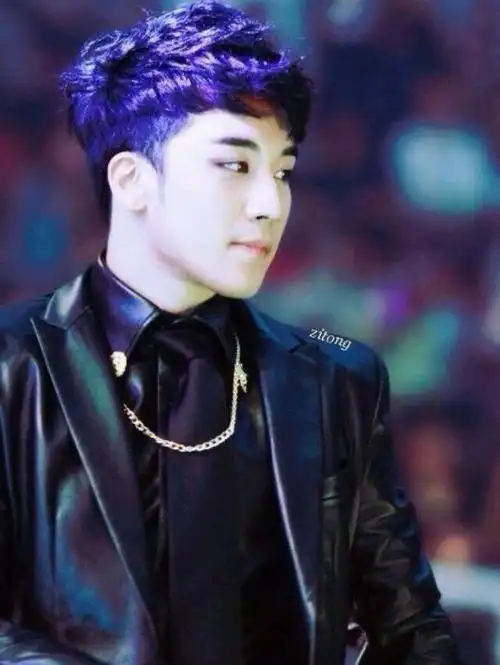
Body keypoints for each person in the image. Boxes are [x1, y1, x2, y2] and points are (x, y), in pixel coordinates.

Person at [0, 1, 463, 664]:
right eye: (235, 166)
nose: (271, 204)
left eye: (283, 171)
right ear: (132, 179)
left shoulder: (334, 381)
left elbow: (409, 627)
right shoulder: (15, 367)